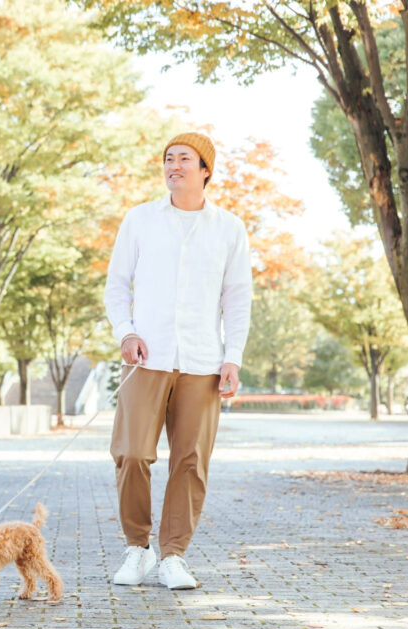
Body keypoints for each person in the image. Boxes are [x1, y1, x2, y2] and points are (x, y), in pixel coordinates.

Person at [103, 132, 252, 590]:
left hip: (203, 362)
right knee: (131, 454)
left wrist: (233, 358)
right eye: (169, 159)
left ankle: (173, 555)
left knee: (190, 461)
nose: (174, 165)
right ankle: (137, 549)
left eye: (184, 158)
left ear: (205, 169)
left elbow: (237, 297)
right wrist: (126, 332)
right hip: (145, 358)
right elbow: (116, 285)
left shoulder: (229, 228)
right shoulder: (141, 220)